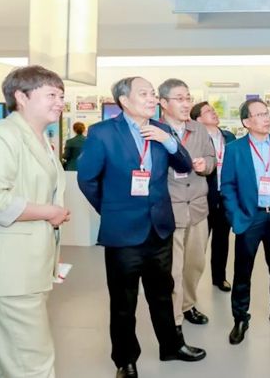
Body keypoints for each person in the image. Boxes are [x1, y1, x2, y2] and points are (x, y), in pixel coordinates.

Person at [77, 77, 205, 378]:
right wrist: (111, 209)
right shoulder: (102, 133)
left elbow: (184, 165)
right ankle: (125, 360)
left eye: (153, 93)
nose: (152, 99)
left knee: (163, 293)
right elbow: (88, 180)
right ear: (124, 100)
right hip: (123, 233)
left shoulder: (162, 130)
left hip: (159, 228)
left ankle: (171, 346)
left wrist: (169, 142)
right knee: (124, 301)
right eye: (144, 93)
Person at [0, 65, 70, 378]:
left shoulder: (39, 139)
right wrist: (49, 212)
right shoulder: (0, 137)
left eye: (61, 96)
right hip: (9, 272)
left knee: (3, 362)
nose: (60, 102)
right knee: (34, 365)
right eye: (51, 95)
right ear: (21, 97)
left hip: (28, 268)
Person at [220, 98, 270, 345]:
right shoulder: (234, 149)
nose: (266, 118)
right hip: (249, 217)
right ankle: (240, 318)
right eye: (259, 114)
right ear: (246, 122)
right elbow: (227, 187)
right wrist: (236, 217)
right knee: (243, 272)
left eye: (267, 113)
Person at [158, 79, 215, 335]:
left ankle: (188, 304)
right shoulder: (154, 131)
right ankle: (174, 318)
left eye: (188, 98)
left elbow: (211, 158)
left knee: (195, 264)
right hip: (172, 210)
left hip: (198, 210)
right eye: (179, 99)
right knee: (174, 269)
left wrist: (206, 164)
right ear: (163, 102)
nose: (185, 104)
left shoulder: (198, 129)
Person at [190, 101, 237, 293]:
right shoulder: (195, 139)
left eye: (213, 110)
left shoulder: (229, 137)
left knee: (222, 239)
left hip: (225, 196)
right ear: (198, 119)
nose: (214, 113)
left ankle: (219, 277)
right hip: (203, 197)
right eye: (208, 111)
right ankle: (191, 283)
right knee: (198, 243)